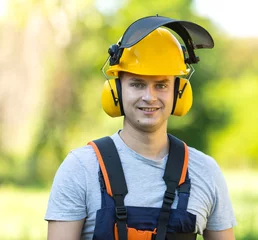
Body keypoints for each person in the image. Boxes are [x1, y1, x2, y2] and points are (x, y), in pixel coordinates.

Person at [45, 16, 237, 240]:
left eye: (161, 85)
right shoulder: (81, 169)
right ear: (116, 91)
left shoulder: (205, 172)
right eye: (137, 84)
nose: (149, 97)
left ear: (179, 92)